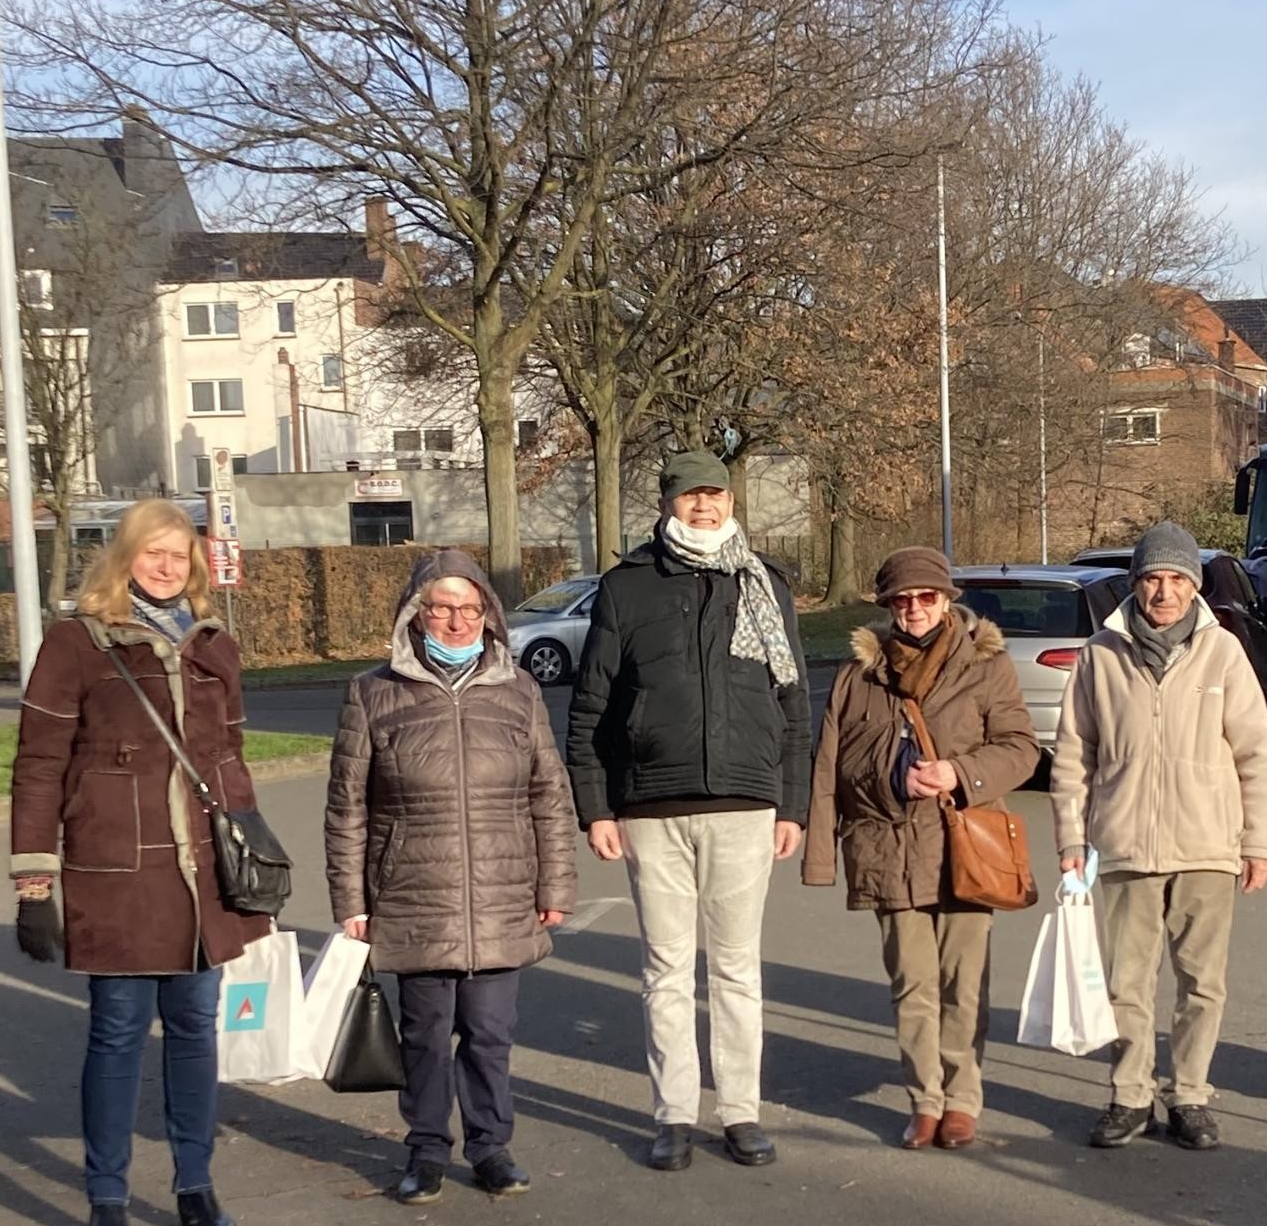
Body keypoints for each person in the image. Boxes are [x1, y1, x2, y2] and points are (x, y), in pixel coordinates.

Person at [8, 500, 268, 1226]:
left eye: (178, 556)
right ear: (123, 557)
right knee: (117, 1028)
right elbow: (38, 763)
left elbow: (231, 760)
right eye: (152, 552)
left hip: (202, 875)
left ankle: (194, 1182)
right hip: (113, 869)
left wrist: (251, 859)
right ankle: (108, 1194)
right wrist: (35, 877)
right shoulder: (76, 643)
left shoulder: (215, 644)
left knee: (194, 1026)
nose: (165, 566)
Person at [564, 450, 812, 1172]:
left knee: (735, 968)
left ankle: (739, 1110)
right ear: (667, 502)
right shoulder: (628, 585)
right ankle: (672, 1113)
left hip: (745, 801)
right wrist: (596, 807)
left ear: (730, 500)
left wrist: (790, 802)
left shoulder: (763, 583)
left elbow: (793, 703)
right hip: (649, 804)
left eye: (715, 495)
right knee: (665, 967)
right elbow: (592, 706)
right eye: (689, 497)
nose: (704, 508)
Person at [325, 550, 576, 1205]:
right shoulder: (372, 691)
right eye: (442, 606)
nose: (457, 619)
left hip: (502, 892)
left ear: (488, 615)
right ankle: (426, 1148)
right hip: (411, 892)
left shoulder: (518, 690)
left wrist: (555, 885)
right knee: (426, 1035)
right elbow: (346, 805)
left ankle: (491, 1145)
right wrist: (349, 898)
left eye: (470, 608)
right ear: (417, 612)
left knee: (490, 1034)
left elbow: (549, 794)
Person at [1050, 522, 1267, 1152]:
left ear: (1194, 587)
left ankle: (1189, 1096)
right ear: (1136, 583)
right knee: (1127, 983)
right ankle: (1129, 1096)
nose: (1164, 591)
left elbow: (1257, 753)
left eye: (1177, 578)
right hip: (1123, 844)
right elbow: (1074, 755)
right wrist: (1072, 838)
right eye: (1153, 578)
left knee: (1202, 983)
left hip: (1207, 845)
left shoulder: (1224, 652)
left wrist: (1260, 842)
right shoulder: (1102, 654)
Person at [801, 548, 1038, 1150]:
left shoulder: (986, 666)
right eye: (903, 601)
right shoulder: (859, 675)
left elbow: (1020, 748)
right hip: (886, 847)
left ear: (946, 601)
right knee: (912, 983)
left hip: (965, 847)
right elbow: (831, 763)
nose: (915, 609)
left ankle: (961, 1100)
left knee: (964, 983)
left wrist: (959, 772)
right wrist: (829, 849)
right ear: (887, 608)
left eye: (926, 598)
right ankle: (924, 1101)